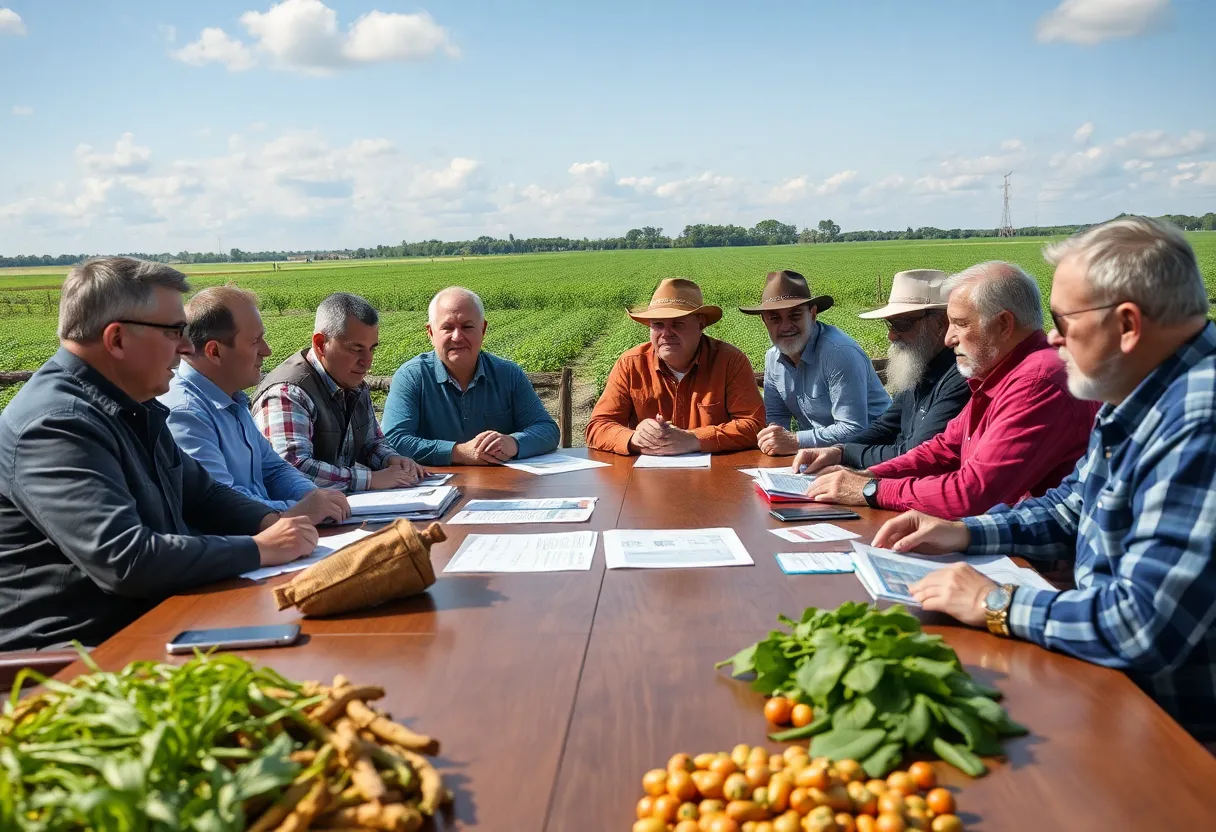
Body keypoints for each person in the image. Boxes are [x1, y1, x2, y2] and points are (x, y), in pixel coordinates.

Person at [873, 217, 1216, 742]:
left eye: (1063, 319)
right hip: (1114, 694)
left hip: (1173, 736)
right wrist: (966, 533)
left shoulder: (1198, 418)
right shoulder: (1137, 387)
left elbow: (1144, 624)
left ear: (1127, 326)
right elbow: (1072, 505)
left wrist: (995, 603)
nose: (1052, 337)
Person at [0, 257, 318, 651]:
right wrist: (261, 547)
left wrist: (274, 522)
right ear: (116, 339)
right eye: (173, 332)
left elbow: (203, 493)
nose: (186, 347)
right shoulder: (55, 425)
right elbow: (126, 559)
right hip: (74, 660)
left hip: (155, 624)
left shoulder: (130, 405)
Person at [806, 262, 1098, 519]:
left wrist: (872, 490)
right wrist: (869, 475)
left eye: (959, 324)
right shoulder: (1002, 374)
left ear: (1004, 325)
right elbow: (944, 448)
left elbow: (974, 492)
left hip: (1042, 559)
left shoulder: (1036, 381)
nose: (948, 338)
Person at [160, 286, 350, 523]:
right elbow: (220, 505)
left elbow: (273, 469)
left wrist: (314, 496)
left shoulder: (230, 398)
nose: (267, 351)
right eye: (255, 341)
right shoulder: (185, 413)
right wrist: (298, 511)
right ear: (214, 351)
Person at [790, 270, 971, 473]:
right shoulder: (918, 367)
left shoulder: (960, 379)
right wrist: (835, 450)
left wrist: (845, 454)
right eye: (890, 324)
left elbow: (916, 454)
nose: (891, 335)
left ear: (940, 325)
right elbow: (885, 427)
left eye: (902, 324)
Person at [252, 293, 425, 492]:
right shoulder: (288, 392)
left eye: (372, 349)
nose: (367, 362)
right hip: (296, 518)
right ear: (320, 344)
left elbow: (371, 443)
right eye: (356, 349)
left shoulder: (353, 382)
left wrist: (391, 460)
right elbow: (292, 468)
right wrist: (370, 479)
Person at [381, 287, 559, 465]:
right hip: (435, 487)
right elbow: (394, 440)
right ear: (431, 333)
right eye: (447, 328)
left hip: (501, 486)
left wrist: (513, 443)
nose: (457, 337)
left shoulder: (508, 374)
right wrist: (458, 452)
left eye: (467, 327)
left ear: (483, 329)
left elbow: (547, 429)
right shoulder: (412, 377)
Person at [585, 278, 764, 455]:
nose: (666, 333)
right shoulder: (630, 364)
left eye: (678, 323)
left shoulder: (729, 361)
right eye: (658, 325)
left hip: (715, 476)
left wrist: (693, 439)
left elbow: (754, 425)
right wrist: (635, 438)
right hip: (648, 478)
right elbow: (597, 427)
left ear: (700, 324)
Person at [740, 270, 889, 456]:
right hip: (822, 455)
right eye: (775, 318)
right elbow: (777, 417)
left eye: (795, 316)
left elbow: (854, 429)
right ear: (764, 321)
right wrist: (774, 439)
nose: (785, 327)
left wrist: (794, 441)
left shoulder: (838, 353)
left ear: (813, 313)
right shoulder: (773, 357)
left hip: (873, 452)